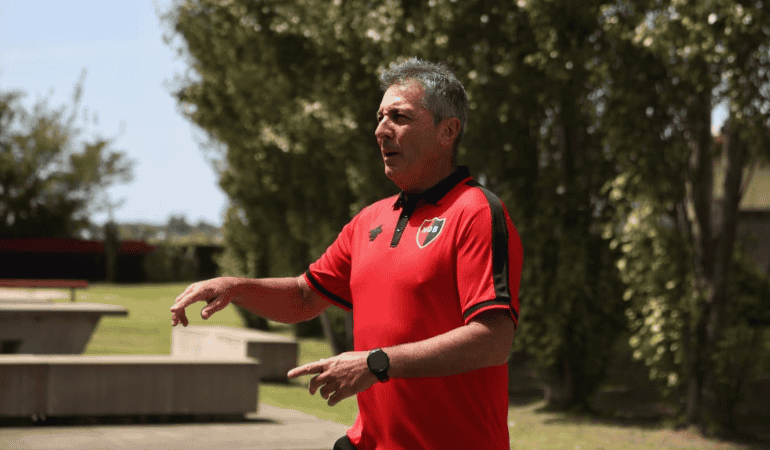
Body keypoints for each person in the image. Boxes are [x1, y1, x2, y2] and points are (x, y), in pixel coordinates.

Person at [170, 57, 523, 450]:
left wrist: (377, 363)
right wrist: (236, 287)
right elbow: (304, 297)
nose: (381, 130)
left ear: (448, 131)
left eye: (399, 117)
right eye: (380, 116)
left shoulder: (475, 212)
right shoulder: (369, 221)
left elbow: (494, 339)